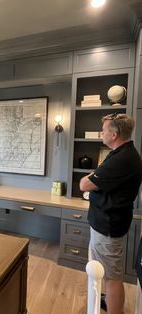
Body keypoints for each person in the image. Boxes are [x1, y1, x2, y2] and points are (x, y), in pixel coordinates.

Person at [79, 113, 142, 314]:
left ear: (114, 134)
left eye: (104, 130)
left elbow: (84, 184)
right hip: (106, 223)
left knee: (112, 277)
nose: (101, 133)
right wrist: (96, 176)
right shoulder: (120, 153)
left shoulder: (123, 158)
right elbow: (96, 179)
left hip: (108, 227)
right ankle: (109, 303)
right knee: (105, 272)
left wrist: (93, 178)